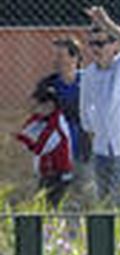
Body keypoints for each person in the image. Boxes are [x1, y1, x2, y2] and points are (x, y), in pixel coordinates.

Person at [79, 4, 120, 201]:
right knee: (103, 204)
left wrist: (107, 23)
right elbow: (85, 108)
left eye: (101, 43)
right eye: (92, 44)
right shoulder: (89, 73)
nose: (95, 49)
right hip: (101, 148)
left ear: (115, 46)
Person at [16, 76, 76, 204]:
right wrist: (23, 138)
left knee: (52, 208)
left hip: (59, 175)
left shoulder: (57, 124)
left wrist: (27, 142)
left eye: (38, 104)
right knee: (42, 205)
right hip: (46, 173)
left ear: (49, 105)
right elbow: (23, 132)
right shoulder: (40, 118)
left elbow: (40, 148)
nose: (34, 108)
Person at [43, 36, 88, 167]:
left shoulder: (88, 81)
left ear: (74, 58)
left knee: (84, 184)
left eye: (60, 55)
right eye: (55, 55)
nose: (55, 60)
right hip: (56, 149)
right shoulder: (48, 84)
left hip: (84, 147)